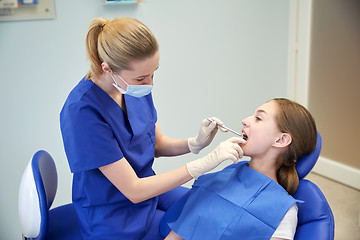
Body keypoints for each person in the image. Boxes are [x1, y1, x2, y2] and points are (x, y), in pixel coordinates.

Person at [60, 17, 245, 240]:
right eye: (141, 78)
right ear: (108, 69)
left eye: (153, 73)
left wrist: (195, 143)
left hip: (152, 190)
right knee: (200, 229)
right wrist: (203, 164)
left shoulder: (132, 87)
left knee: (211, 207)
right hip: (115, 215)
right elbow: (134, 190)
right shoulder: (82, 111)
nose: (150, 84)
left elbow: (155, 143)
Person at [161, 98, 318, 240]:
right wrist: (196, 146)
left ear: (281, 139)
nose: (244, 121)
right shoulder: (221, 178)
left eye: (258, 118)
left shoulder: (284, 211)